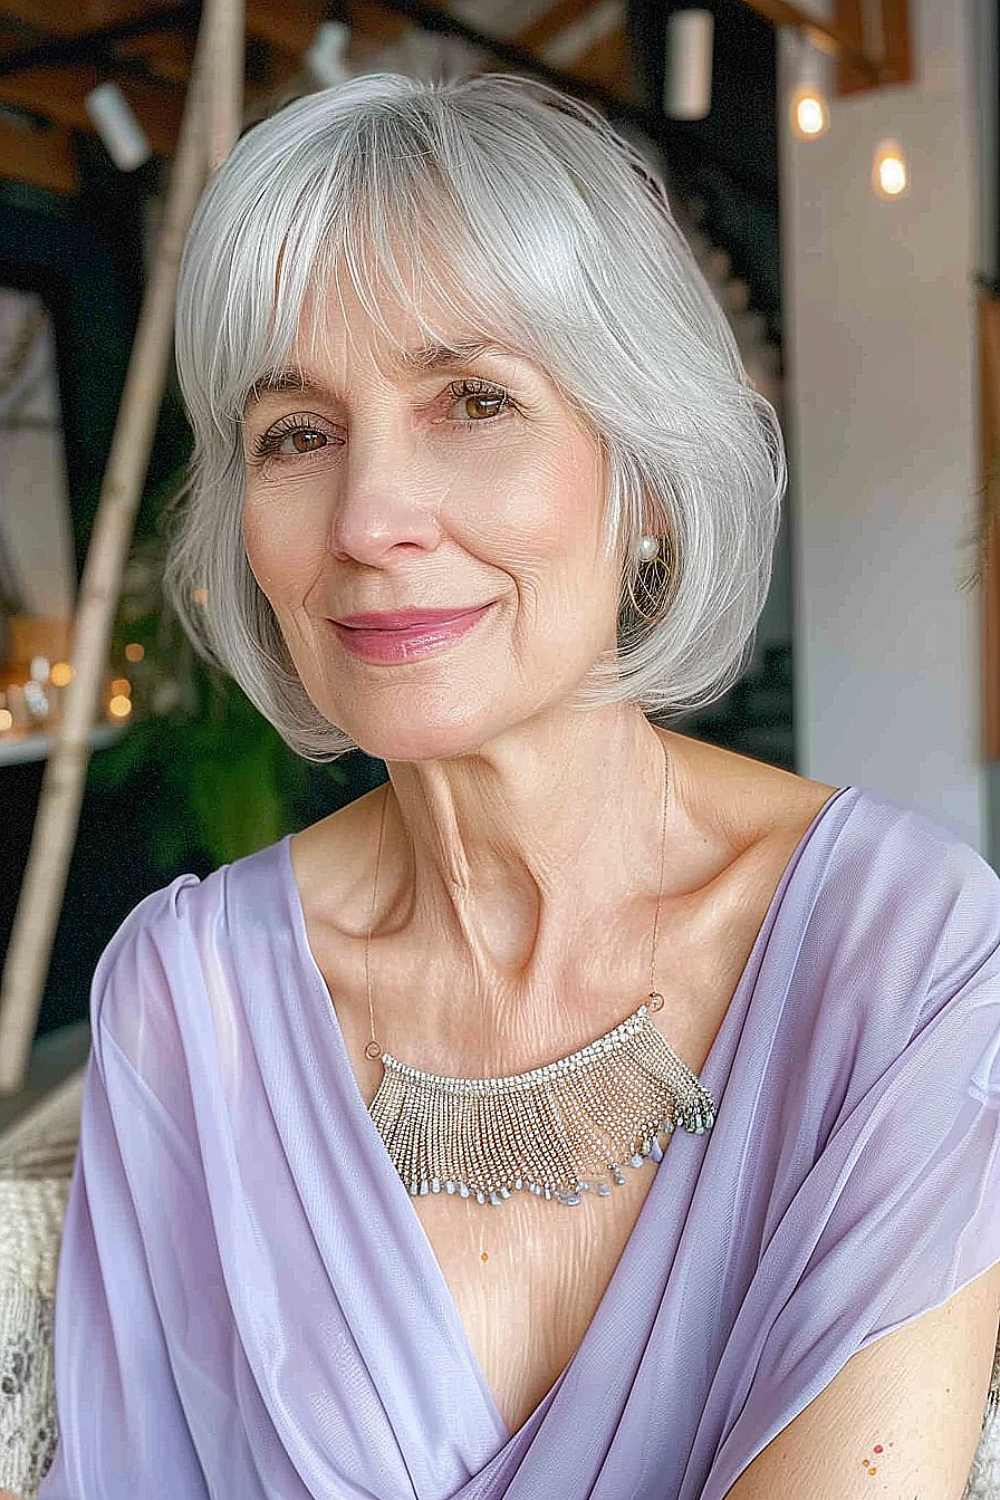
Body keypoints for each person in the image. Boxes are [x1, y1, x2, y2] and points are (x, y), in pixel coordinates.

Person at [38, 71, 1000, 1500]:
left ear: (650, 480)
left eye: (475, 401)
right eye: (296, 433)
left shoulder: (904, 951)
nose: (368, 521)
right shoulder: (190, 999)